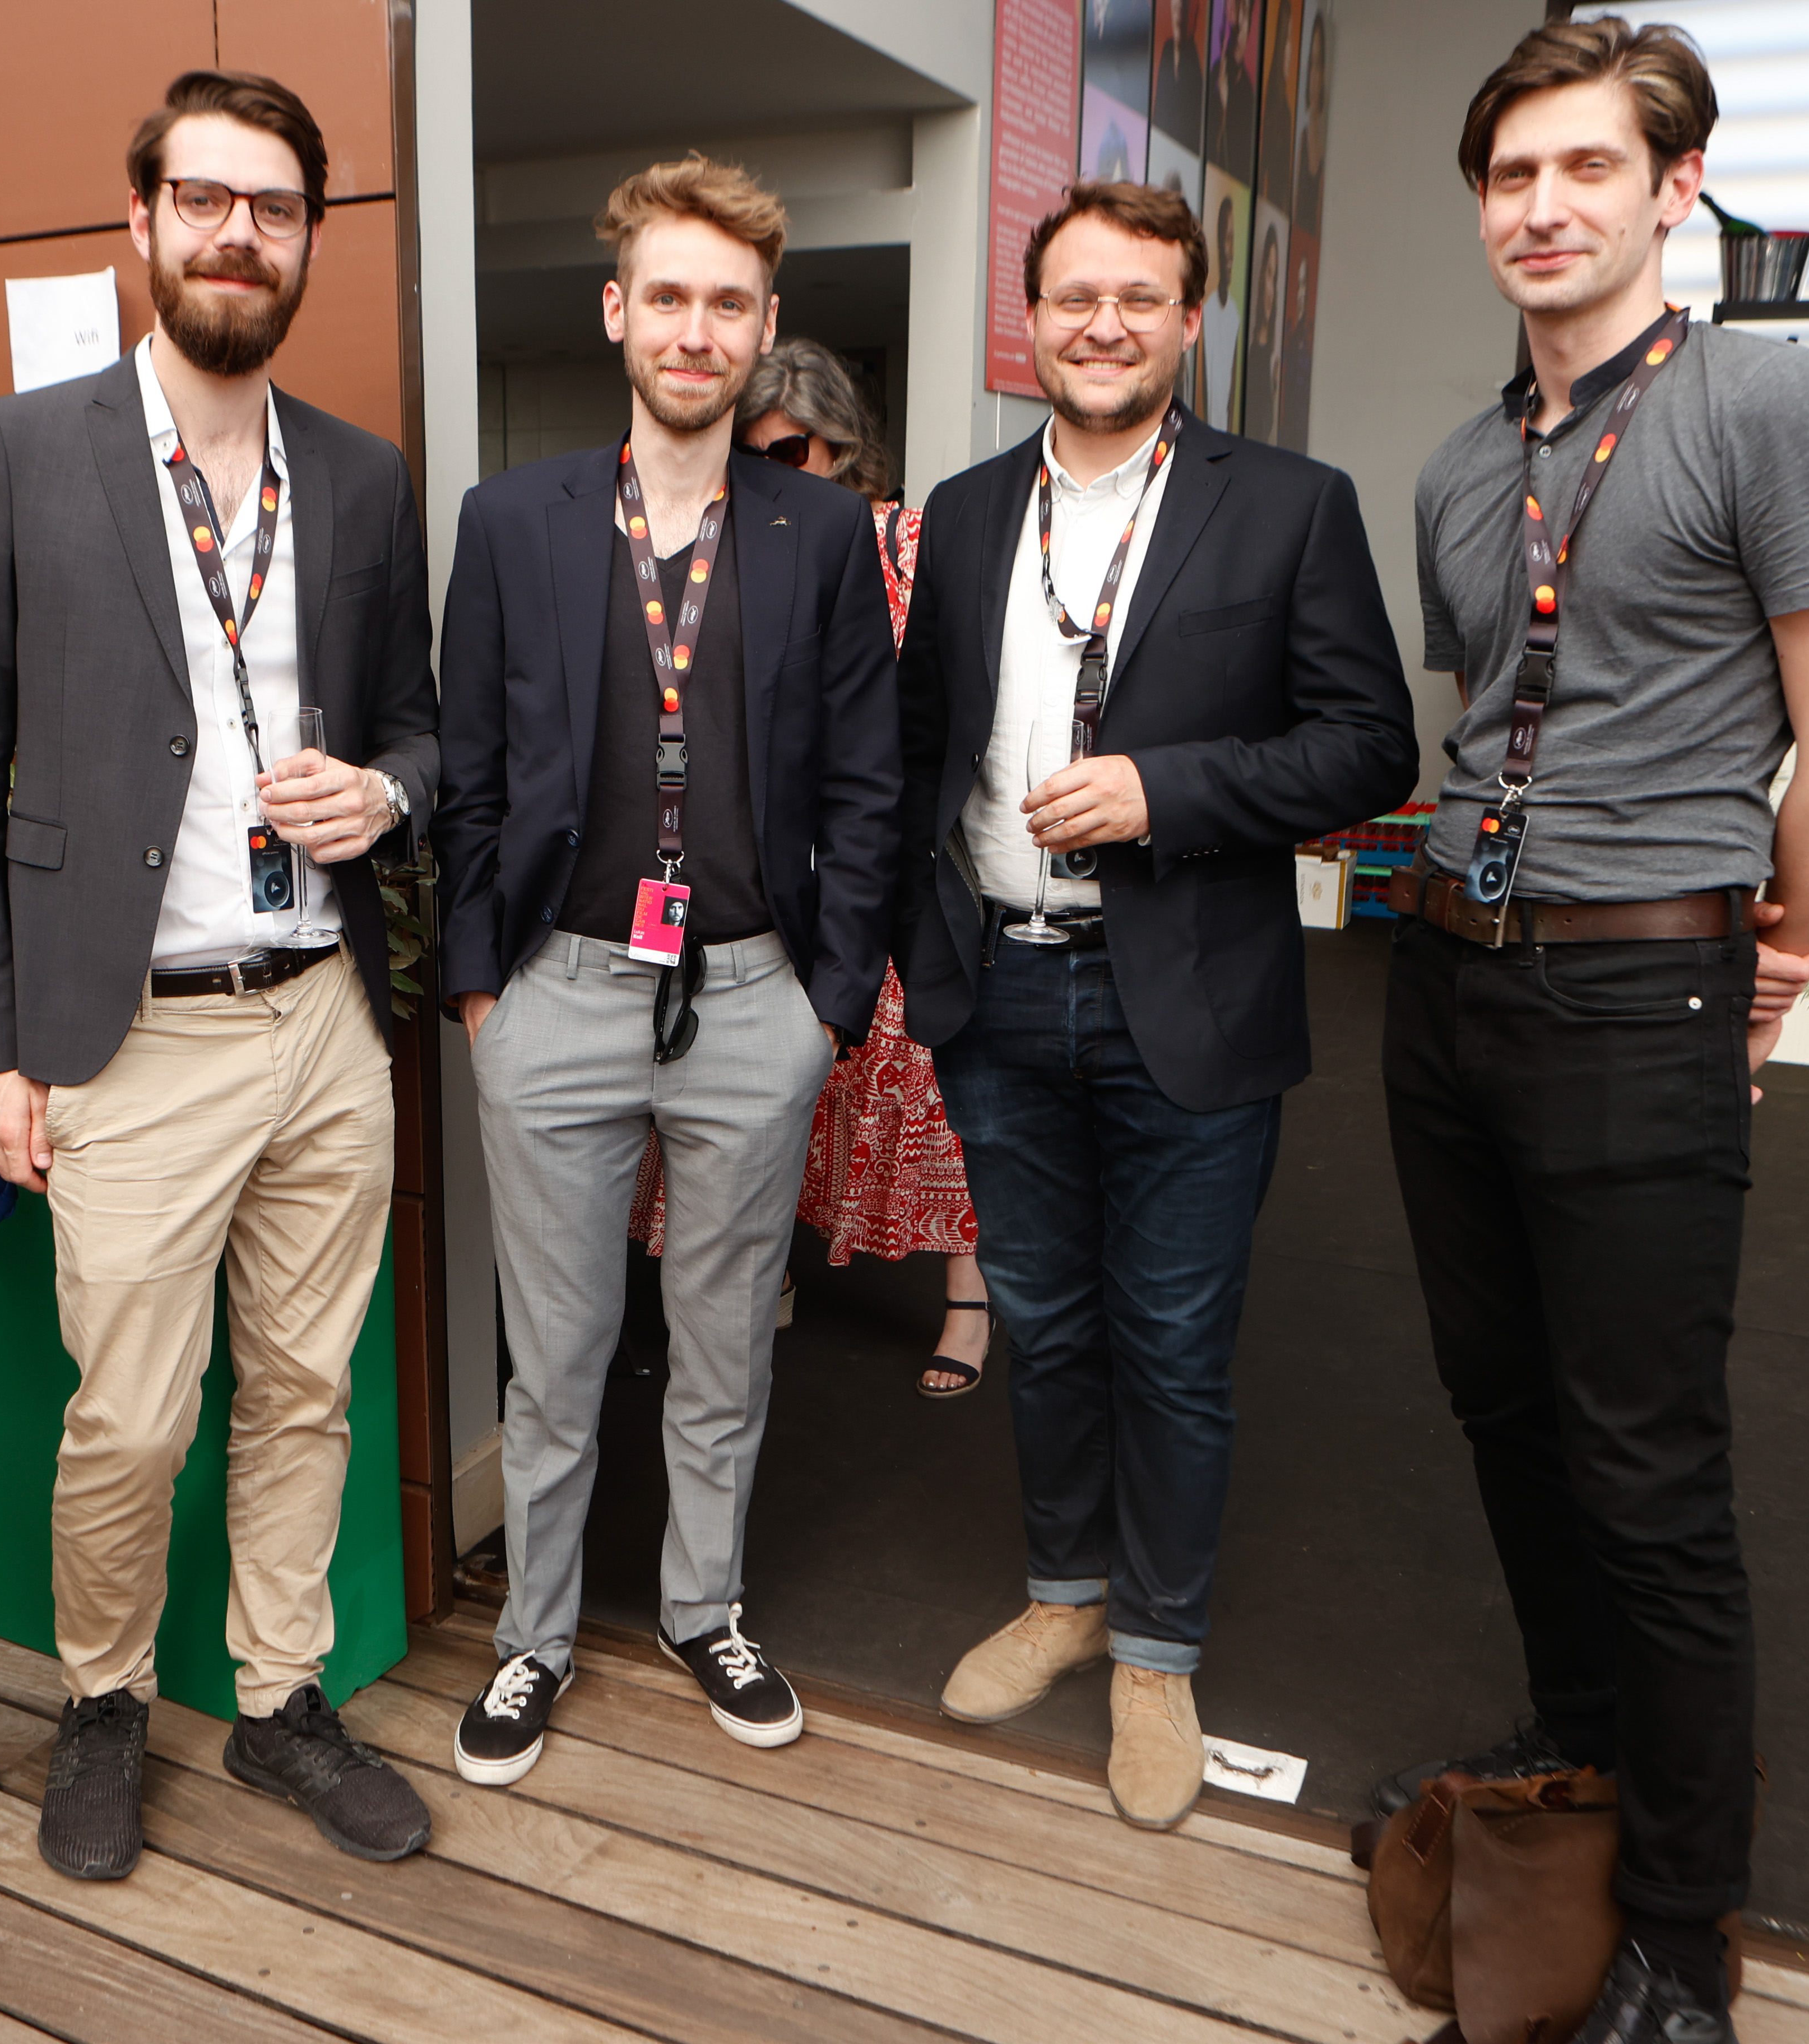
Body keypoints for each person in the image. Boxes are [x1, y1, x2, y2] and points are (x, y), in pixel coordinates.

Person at [1374, 24, 1809, 2037]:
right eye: (1509, 174)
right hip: (1443, 977)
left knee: (1646, 1467)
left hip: (1635, 985)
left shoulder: (1776, 409)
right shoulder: (1455, 463)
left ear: (1672, 187)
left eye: (1585, 168)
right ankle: (1576, 1742)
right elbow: (1488, 720)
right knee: (1503, 1412)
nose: (1542, 207)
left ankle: (1682, 1931)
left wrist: (1762, 960)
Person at [0, 71, 442, 1878]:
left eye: (272, 207)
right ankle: (104, 1702)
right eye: (204, 199)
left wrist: (383, 791)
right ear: (139, 221)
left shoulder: (360, 479)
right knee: (130, 1412)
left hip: (320, 1012)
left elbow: (429, 739)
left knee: (306, 1384)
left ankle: (284, 1698)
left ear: (306, 239)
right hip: (122, 1032)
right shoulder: (18, 451)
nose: (237, 233)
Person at [889, 180, 1413, 1828]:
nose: (1102, 323)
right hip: (1002, 995)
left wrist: (1163, 792)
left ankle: (1160, 1651)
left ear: (1192, 322)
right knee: (1043, 1324)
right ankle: (1065, 1589)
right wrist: (926, 955)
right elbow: (921, 756)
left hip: (1185, 993)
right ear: (1028, 322)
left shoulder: (1292, 506)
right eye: (1072, 296)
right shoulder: (967, 514)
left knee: (1174, 1345)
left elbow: (1370, 746)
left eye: (1140, 296)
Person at [439, 157, 902, 1789]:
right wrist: (483, 998)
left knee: (725, 1345)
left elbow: (868, 782)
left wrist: (830, 1004)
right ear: (620, 311)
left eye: (730, 303)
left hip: (757, 1000)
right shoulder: (513, 521)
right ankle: (534, 1642)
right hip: (554, 995)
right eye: (671, 296)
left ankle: (707, 1606)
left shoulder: (823, 532)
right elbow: (475, 771)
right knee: (555, 1361)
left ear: (763, 326)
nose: (697, 329)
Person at [706, 336, 995, 1397]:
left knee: (924, 1087)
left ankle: (968, 1299)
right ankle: (769, 1268)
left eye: (794, 452)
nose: (775, 473)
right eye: (755, 454)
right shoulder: (726, 545)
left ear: (843, 446)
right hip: (771, 862)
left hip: (890, 851)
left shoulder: (908, 543)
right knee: (774, 1084)